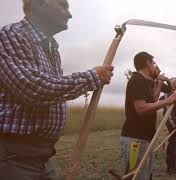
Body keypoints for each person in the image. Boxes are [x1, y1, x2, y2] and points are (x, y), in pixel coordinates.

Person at [0, 0, 114, 179]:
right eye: (63, 5)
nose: (69, 14)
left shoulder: (52, 49)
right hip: (15, 156)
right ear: (38, 4)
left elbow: (53, 90)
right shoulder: (11, 35)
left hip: (43, 156)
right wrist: (92, 77)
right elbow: (34, 89)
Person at [120, 52, 176, 180]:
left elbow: (153, 100)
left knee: (146, 175)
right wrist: (168, 101)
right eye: (153, 63)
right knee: (137, 176)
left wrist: (158, 82)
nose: (155, 67)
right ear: (147, 63)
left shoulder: (146, 82)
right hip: (136, 139)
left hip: (145, 138)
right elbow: (141, 108)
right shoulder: (137, 80)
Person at [159, 77, 176, 176]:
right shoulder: (167, 96)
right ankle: (170, 168)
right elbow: (169, 115)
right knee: (172, 146)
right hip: (172, 125)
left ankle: (173, 167)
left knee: (174, 145)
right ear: (171, 83)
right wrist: (175, 125)